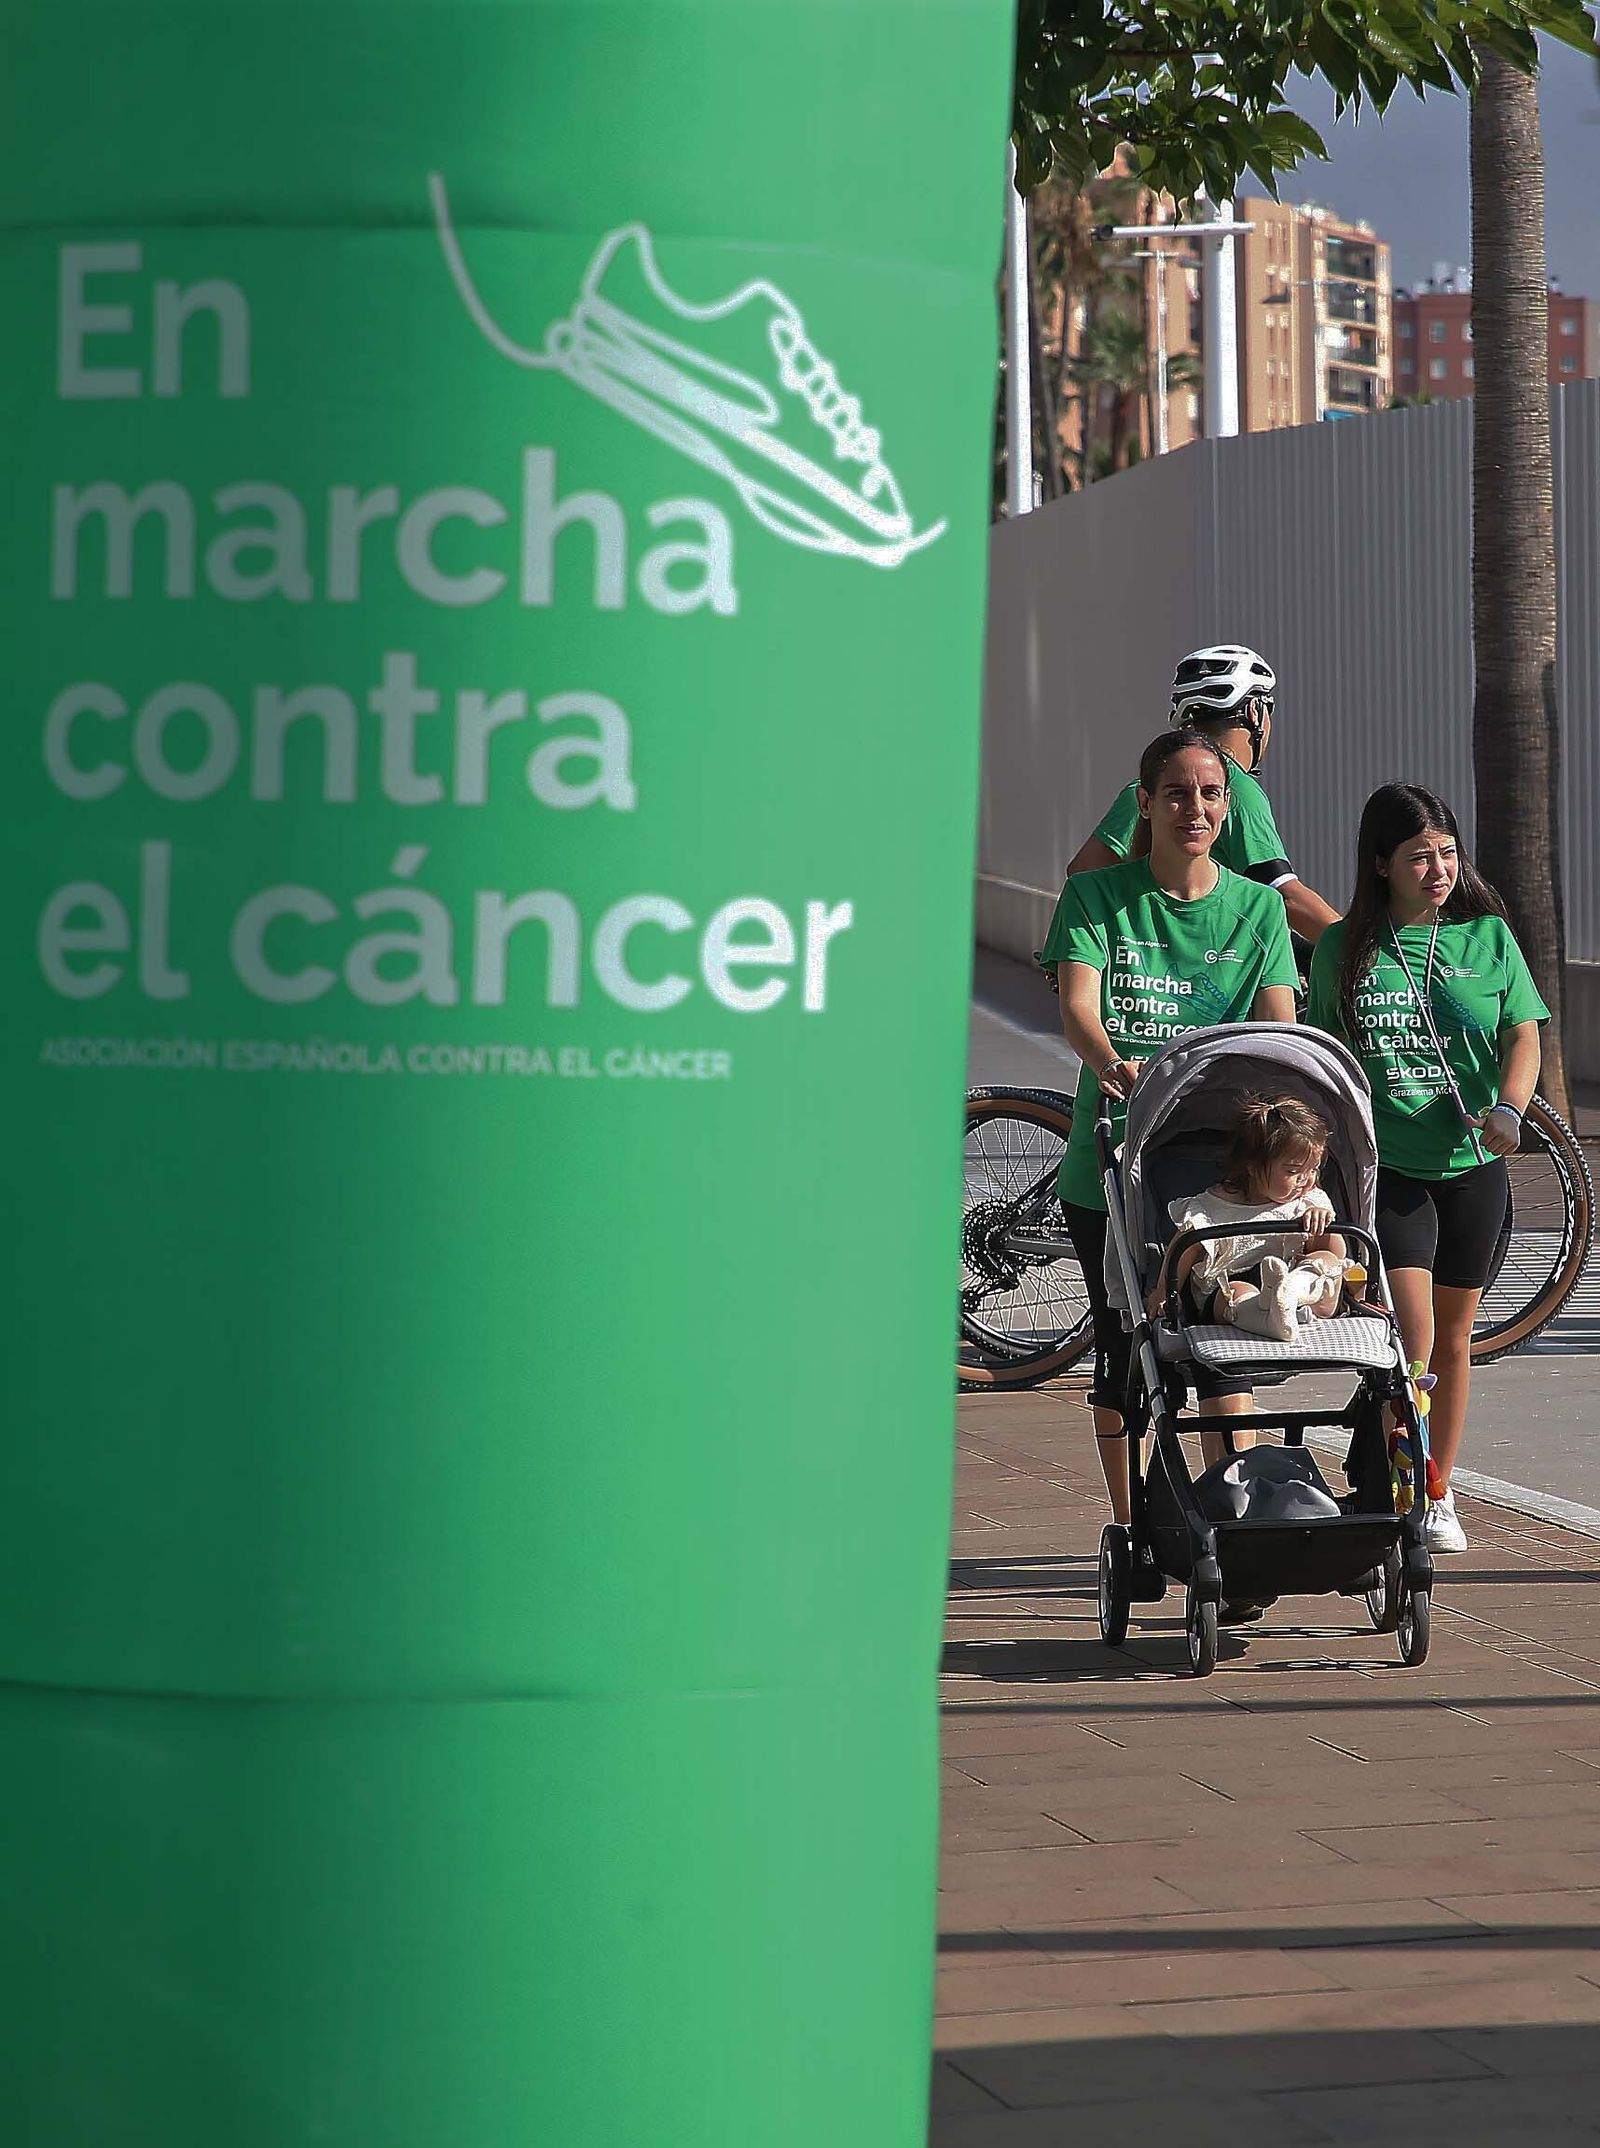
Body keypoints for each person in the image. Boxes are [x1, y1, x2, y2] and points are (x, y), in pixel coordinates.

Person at [1039, 726, 1300, 1532]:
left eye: (1211, 794)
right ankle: (1133, 1526)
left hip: (1224, 1171)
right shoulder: (1096, 899)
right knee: (1123, 1352)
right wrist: (1113, 1061)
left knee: (1225, 1340)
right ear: (1144, 803)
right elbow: (1078, 1004)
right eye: (1178, 793)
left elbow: (1279, 1034)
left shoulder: (1256, 910)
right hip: (1113, 1163)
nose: (1195, 808)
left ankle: (1238, 1514)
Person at [1307, 783, 1547, 1554]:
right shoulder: (1346, 947)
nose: (1438, 869)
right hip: (1392, 1169)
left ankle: (1436, 1482)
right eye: (1419, 857)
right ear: (1381, 864)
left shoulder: (1487, 938)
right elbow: (1324, 1059)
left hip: (1476, 1165)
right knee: (1409, 1337)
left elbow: (1523, 1033)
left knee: (1454, 1340)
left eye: (1447, 852)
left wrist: (1511, 1108)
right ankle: (1413, 1487)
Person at [1067, 644, 1339, 947]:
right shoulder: (1237, 788)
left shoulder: (1148, 786)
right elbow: (1285, 895)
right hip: (1210, 962)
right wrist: (1372, 956)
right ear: (1255, 710)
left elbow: (1083, 871)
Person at [1155, 1094, 1348, 1343]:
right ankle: (1272, 1315)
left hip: (1297, 1281)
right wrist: (1164, 1291)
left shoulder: (1308, 1201)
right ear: (1254, 1167)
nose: (1306, 1179)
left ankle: (1291, 1294)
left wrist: (1323, 1226)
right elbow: (1186, 1246)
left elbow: (1337, 1255)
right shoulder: (1214, 1206)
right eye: (1293, 1171)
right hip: (1233, 1285)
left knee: (1327, 1259)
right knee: (1235, 1294)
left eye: (1313, 1169)